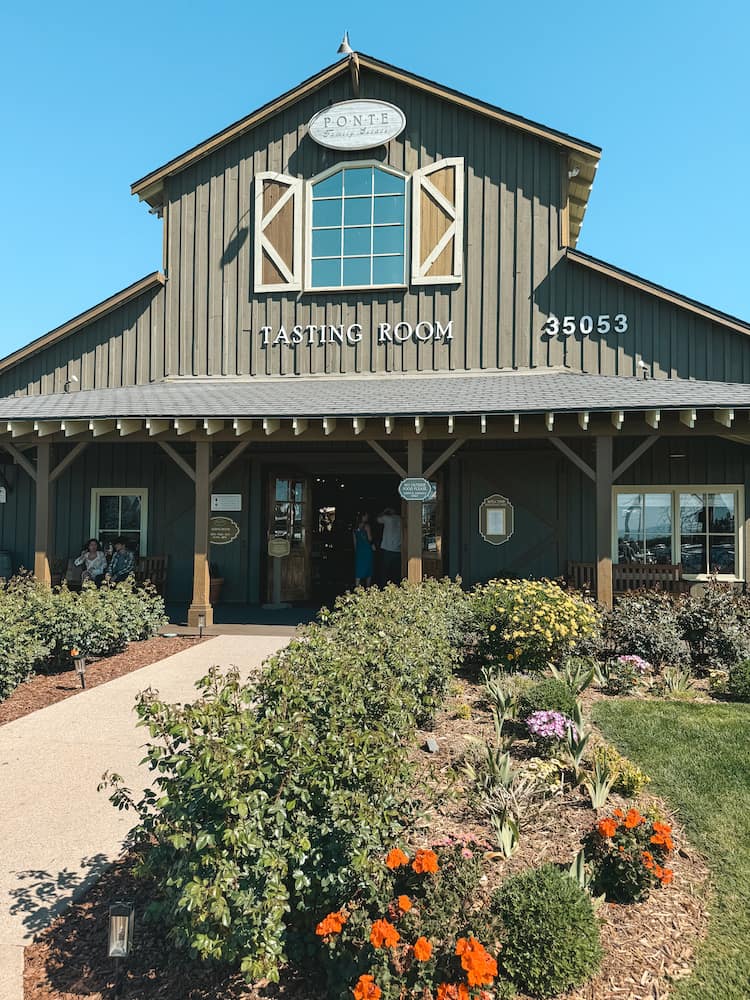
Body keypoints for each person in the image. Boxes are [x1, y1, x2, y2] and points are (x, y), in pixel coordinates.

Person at [377, 506, 402, 584]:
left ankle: (383, 588)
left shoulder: (387, 518)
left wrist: (385, 511)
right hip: (398, 549)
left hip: (388, 549)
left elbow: (377, 519)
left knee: (385, 572)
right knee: (396, 573)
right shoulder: (401, 519)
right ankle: (396, 588)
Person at [352, 512, 375, 587]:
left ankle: (357, 587)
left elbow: (355, 542)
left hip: (359, 551)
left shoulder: (355, 528)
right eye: (366, 515)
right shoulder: (367, 526)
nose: (367, 517)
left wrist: (356, 552)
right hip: (367, 550)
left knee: (359, 569)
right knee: (368, 569)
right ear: (363, 516)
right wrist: (373, 546)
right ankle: (368, 589)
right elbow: (369, 538)